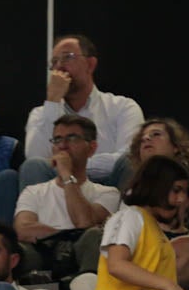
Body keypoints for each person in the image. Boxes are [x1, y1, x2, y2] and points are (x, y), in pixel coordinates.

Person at [91, 155, 189, 290]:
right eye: (176, 190)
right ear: (157, 186)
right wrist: (169, 286)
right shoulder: (129, 216)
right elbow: (117, 264)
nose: (181, 199)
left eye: (184, 192)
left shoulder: (155, 228)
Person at [22, 34, 145, 180]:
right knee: (31, 167)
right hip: (57, 188)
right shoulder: (40, 113)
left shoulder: (123, 107)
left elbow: (129, 157)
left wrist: (72, 165)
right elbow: (36, 161)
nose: (59, 66)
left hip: (108, 185)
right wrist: (53, 102)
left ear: (90, 64)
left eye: (67, 57)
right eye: (54, 62)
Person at [13, 114, 119, 270]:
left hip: (83, 261)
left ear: (91, 148)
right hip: (44, 259)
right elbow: (23, 230)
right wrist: (66, 240)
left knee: (93, 236)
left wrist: (66, 175)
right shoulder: (33, 192)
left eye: (72, 138)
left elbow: (84, 224)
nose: (62, 146)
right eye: (57, 139)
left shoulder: (108, 193)